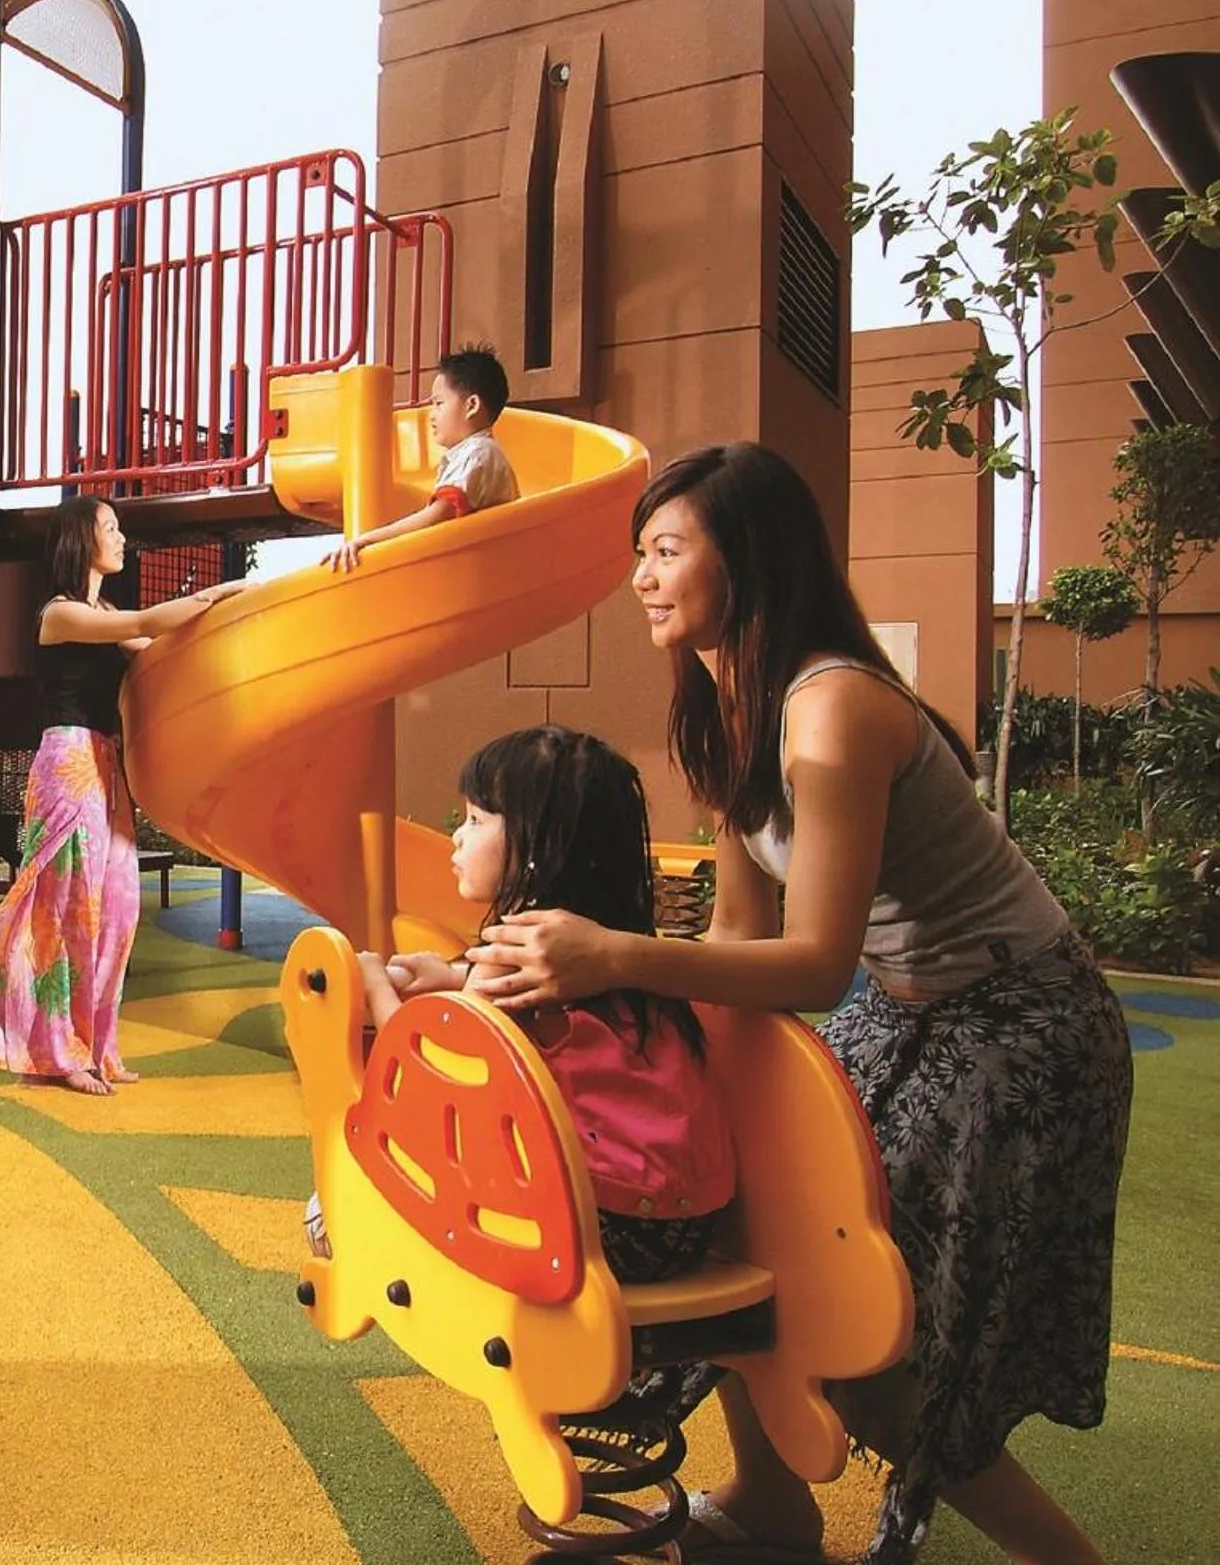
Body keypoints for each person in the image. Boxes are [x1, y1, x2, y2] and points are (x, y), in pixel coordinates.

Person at [465, 442, 1131, 1565]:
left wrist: (614, 958)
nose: (642, 575)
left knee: (868, 1347)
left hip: (1018, 1030)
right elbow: (739, 936)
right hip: (912, 1011)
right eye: (640, 552)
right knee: (748, 1220)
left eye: (668, 550)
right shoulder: (729, 703)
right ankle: (774, 1509)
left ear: (751, 559)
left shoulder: (831, 708)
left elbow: (817, 963)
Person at [310, 727, 736, 1287]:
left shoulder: (519, 946)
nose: (457, 837)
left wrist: (371, 981)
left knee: (337, 1192)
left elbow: (428, 1077)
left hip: (593, 1226)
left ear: (538, 844)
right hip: (689, 1224)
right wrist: (454, 974)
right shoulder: (610, 948)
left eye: (476, 820)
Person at [0, 496, 248, 1094]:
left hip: (106, 766)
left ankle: (98, 1047)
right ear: (82, 539)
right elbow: (141, 626)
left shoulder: (101, 608)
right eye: (110, 528)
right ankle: (55, 1052)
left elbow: (153, 647)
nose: (122, 538)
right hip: (68, 764)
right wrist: (218, 592)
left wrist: (226, 613)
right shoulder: (59, 614)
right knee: (65, 912)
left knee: (120, 907)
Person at [325, 342, 520, 570]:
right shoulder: (475, 453)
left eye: (439, 403)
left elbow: (436, 516)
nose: (432, 415)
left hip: (483, 570)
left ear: (472, 405)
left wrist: (366, 539)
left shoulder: (478, 453)